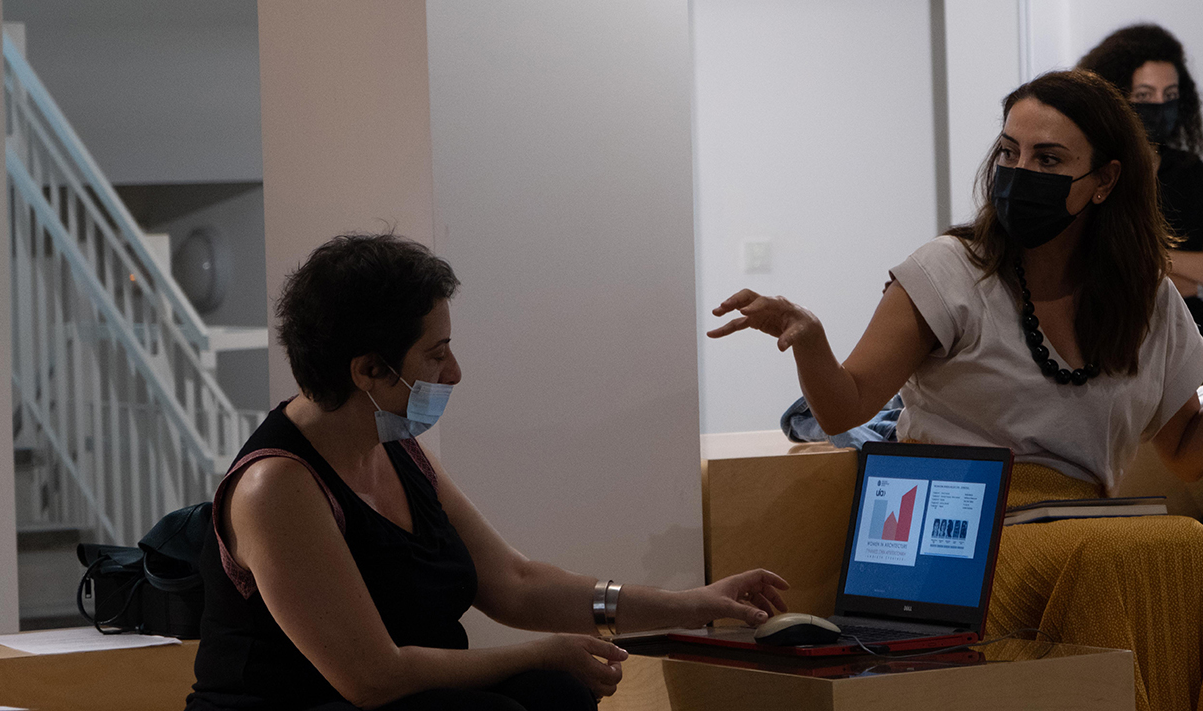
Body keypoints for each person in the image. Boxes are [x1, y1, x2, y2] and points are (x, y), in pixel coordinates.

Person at [708, 70, 1203, 711]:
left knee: (1190, 549)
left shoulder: (1148, 297)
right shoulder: (948, 270)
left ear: (1105, 180)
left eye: (1048, 159)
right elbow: (843, 407)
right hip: (954, 537)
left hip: (1081, 523)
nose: (1020, 172)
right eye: (1008, 152)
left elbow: (1187, 451)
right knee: (1118, 558)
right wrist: (811, 340)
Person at [188, 233, 787, 711]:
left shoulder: (397, 449)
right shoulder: (276, 488)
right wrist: (538, 654)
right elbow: (372, 678)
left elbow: (517, 584)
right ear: (368, 370)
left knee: (556, 694)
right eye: (436, 353)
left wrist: (693, 604)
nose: (453, 373)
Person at [1078, 24, 1203, 385]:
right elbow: (1096, 267)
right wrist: (1199, 275)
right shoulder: (1095, 175)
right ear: (1115, 98)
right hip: (1123, 351)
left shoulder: (1187, 171)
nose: (1160, 106)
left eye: (1171, 94)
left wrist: (1147, 259)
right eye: (1144, 95)